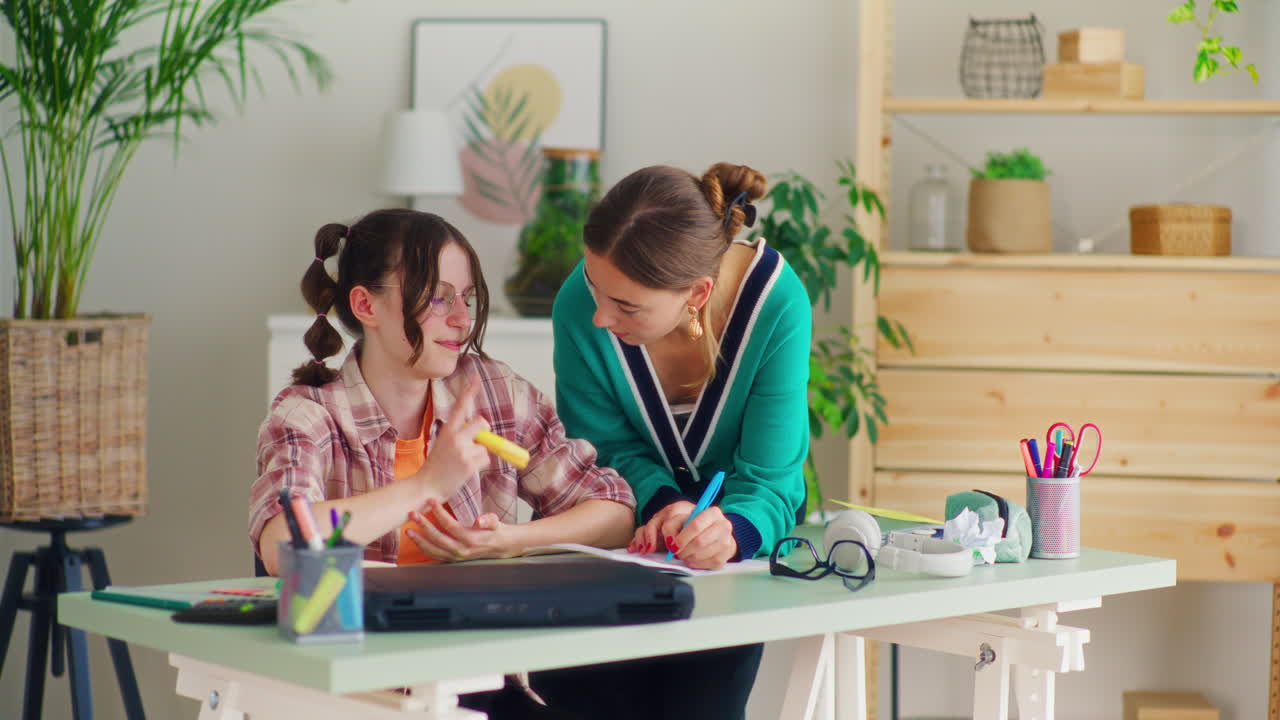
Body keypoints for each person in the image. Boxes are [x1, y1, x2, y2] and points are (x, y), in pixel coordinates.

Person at [535, 163, 812, 719]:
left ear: (698, 293)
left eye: (627, 307)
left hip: (727, 567)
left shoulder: (777, 305)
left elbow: (772, 478)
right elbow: (599, 453)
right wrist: (665, 503)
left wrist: (729, 530)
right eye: (596, 286)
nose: (599, 316)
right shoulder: (578, 305)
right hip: (616, 548)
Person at [248, 208, 635, 578]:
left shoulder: (495, 394)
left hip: (474, 637)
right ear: (366, 305)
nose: (462, 320)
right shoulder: (307, 415)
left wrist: (511, 541)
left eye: (465, 298)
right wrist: (427, 485)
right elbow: (283, 543)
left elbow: (615, 514)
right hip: (358, 640)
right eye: (438, 297)